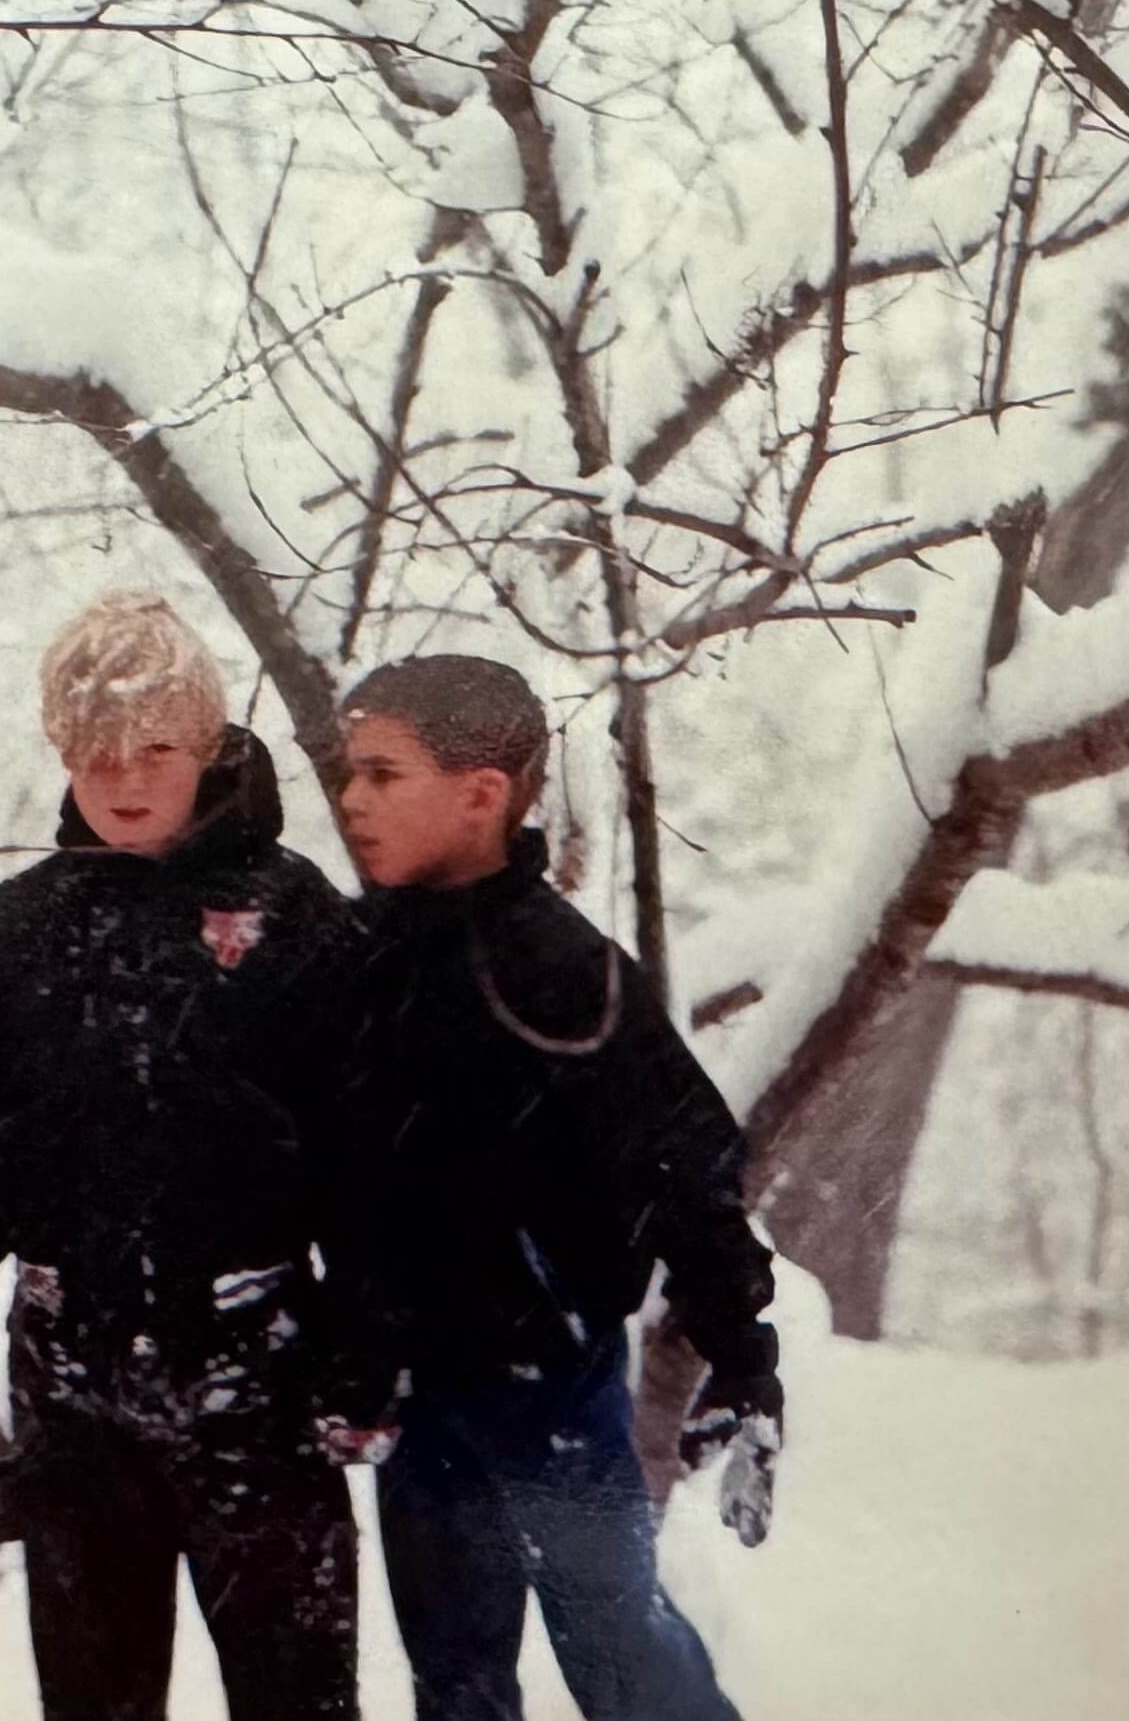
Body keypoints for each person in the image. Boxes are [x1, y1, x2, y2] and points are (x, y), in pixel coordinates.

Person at [0, 591, 365, 1721]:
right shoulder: (15, 930)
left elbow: (368, 1151)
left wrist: (366, 1331)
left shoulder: (292, 917)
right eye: (96, 749)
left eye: (154, 745)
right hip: (74, 1387)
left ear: (206, 744)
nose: (125, 775)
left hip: (259, 1376)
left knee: (298, 1699)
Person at [328, 655, 785, 1721]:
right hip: (419, 1396)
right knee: (455, 1678)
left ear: (482, 794)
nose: (350, 800)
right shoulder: (353, 962)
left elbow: (692, 1170)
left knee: (620, 1658)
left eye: (382, 775)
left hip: (546, 1388)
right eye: (348, 773)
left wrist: (743, 1355)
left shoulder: (564, 974)